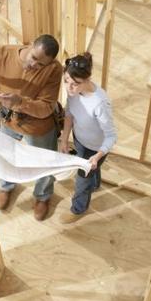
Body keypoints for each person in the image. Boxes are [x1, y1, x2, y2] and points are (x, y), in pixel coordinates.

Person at [0, 34, 63, 221]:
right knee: (4, 154)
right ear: (30, 45)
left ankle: (43, 196)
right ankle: (7, 184)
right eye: (34, 58)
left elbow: (46, 107)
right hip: (8, 120)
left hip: (37, 125)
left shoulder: (54, 70)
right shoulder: (1, 54)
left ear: (49, 63)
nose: (35, 66)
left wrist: (20, 103)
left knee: (44, 162)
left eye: (41, 64)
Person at [58, 52, 117, 224]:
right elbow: (69, 114)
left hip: (96, 147)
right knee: (92, 172)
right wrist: (64, 139)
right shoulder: (73, 91)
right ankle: (95, 184)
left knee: (82, 181)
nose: (69, 88)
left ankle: (78, 209)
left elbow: (112, 136)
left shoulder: (99, 104)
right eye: (66, 80)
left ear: (87, 79)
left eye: (75, 84)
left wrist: (97, 156)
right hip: (80, 139)